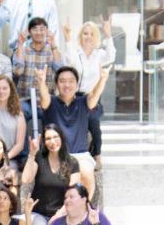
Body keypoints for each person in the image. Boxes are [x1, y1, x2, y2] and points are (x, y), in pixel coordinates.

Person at [21, 128, 93, 225]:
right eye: (48, 138)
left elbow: (73, 194)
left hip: (62, 212)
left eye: (55, 137)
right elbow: (25, 179)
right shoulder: (39, 158)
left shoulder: (72, 162)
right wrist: (32, 154)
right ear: (44, 142)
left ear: (62, 139)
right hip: (38, 212)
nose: (53, 141)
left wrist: (58, 215)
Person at [32, 64, 109, 171]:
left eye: (71, 81)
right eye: (62, 81)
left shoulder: (84, 101)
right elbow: (44, 95)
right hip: (55, 157)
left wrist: (103, 79)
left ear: (77, 85)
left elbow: (95, 94)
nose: (67, 85)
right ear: (56, 85)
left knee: (86, 172)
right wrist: (41, 82)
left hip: (81, 157)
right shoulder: (50, 102)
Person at [66, 19, 115, 161]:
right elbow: (71, 60)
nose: (88, 37)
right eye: (85, 34)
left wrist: (108, 34)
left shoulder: (99, 55)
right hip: (76, 98)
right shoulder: (76, 53)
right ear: (80, 36)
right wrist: (68, 39)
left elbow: (111, 56)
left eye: (92, 34)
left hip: (92, 98)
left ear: (96, 37)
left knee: (93, 121)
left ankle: (97, 154)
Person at [11, 18, 61, 134]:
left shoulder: (52, 50)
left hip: (48, 98)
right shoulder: (22, 49)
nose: (39, 32)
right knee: (19, 115)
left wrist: (54, 46)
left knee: (53, 121)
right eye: (35, 29)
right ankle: (24, 152)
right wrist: (20, 44)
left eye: (42, 29)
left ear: (47, 31)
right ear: (29, 32)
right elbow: (17, 71)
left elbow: (59, 70)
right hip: (25, 99)